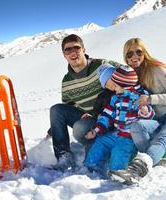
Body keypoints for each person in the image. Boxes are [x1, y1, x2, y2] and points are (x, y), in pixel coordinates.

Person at [108, 38, 166, 185]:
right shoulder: (130, 74)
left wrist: (150, 99)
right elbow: (107, 69)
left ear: (144, 53)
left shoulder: (157, 69)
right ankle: (154, 159)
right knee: (137, 126)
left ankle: (136, 170)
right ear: (125, 58)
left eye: (138, 52)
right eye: (129, 54)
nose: (134, 56)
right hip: (157, 121)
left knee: (161, 140)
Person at [49, 34, 126, 170]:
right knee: (56, 109)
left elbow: (129, 72)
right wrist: (54, 128)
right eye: (68, 50)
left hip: (108, 116)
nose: (73, 52)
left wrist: (164, 72)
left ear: (84, 50)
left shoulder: (102, 65)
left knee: (79, 128)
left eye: (76, 48)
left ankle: (99, 145)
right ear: (64, 55)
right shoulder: (67, 81)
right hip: (86, 118)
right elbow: (68, 107)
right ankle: (64, 157)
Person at [83, 64, 155, 177]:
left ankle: (117, 173)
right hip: (116, 133)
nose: (113, 89)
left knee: (119, 151)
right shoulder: (115, 98)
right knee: (100, 142)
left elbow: (149, 115)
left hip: (130, 137)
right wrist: (96, 130)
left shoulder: (140, 97)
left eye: (115, 86)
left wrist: (145, 111)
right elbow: (107, 115)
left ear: (125, 86)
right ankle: (90, 168)